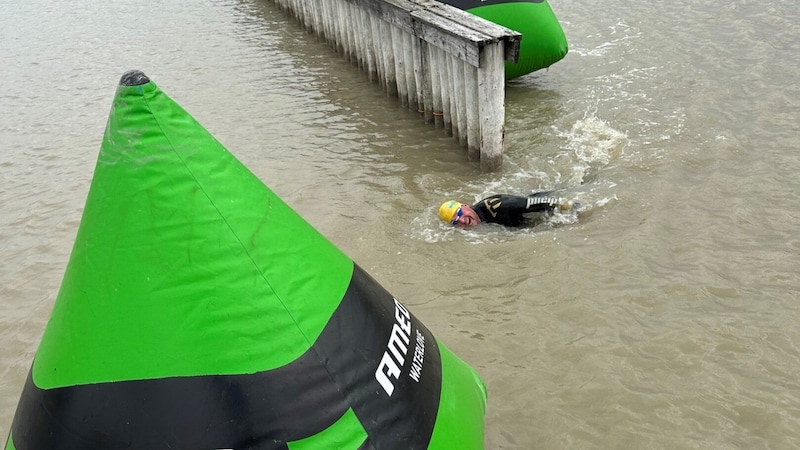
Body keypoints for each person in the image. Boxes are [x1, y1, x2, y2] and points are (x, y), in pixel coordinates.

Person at [438, 191, 575, 228]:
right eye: (455, 221)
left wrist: (575, 211)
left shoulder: (501, 206)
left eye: (460, 213)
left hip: (542, 202)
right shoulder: (478, 220)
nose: (462, 220)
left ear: (465, 205)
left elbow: (541, 202)